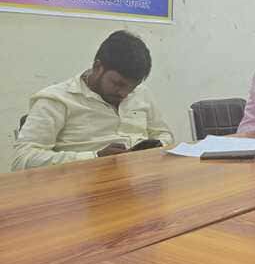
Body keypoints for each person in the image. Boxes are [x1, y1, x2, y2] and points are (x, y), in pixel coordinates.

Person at [12, 31, 174, 171]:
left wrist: (156, 146)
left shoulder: (141, 93)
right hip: (83, 186)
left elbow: (163, 134)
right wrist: (94, 157)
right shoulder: (56, 100)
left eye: (131, 88)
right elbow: (22, 159)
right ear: (98, 67)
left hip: (140, 179)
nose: (124, 94)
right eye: (118, 84)